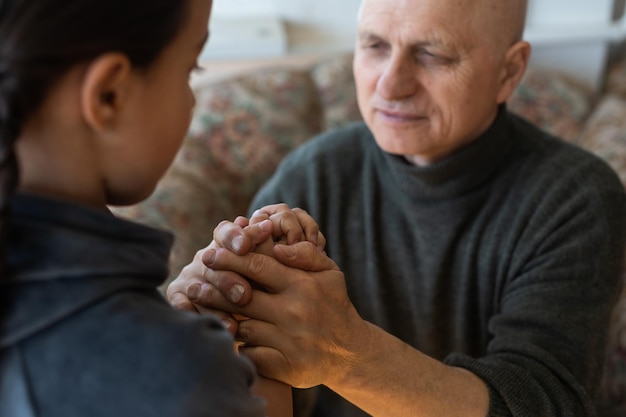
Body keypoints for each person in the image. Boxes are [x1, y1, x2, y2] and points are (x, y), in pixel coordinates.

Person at [167, 0, 626, 416]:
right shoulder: (313, 174)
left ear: (509, 72)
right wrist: (208, 328)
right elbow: (270, 384)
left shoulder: (576, 199)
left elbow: (544, 405)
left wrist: (345, 353)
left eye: (434, 54)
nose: (391, 83)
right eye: (374, 45)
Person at [0, 0, 309, 415]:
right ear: (110, 95)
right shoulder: (174, 371)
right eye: (190, 70)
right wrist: (265, 346)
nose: (193, 102)